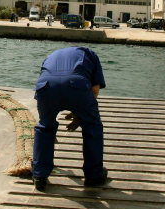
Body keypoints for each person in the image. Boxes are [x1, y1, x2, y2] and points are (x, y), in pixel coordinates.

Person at [32, 46, 108, 190]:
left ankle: (39, 175)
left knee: (45, 127)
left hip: (45, 87)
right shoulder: (91, 55)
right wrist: (81, 114)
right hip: (77, 86)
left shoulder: (51, 55)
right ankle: (94, 175)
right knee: (92, 127)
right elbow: (94, 90)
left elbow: (50, 79)